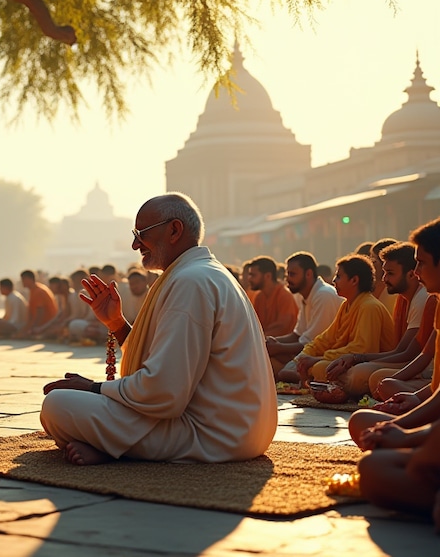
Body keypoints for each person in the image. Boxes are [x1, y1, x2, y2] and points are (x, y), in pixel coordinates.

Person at [40, 193, 276, 465]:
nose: (134, 244)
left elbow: (164, 393)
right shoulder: (199, 273)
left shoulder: (191, 281)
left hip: (212, 436)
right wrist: (116, 323)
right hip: (243, 432)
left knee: (58, 406)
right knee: (69, 402)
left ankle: (110, 448)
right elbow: (163, 364)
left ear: (174, 230)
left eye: (142, 234)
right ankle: (109, 445)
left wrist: (94, 388)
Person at [349, 217, 440, 445]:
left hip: (428, 399)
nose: (418, 272)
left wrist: (403, 430)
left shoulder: (425, 300)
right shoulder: (429, 302)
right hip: (428, 397)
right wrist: (413, 399)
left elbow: (412, 354)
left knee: (374, 466)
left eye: (422, 263)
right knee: (360, 421)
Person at [324, 242, 434, 398]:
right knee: (350, 371)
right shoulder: (404, 299)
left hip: (422, 372)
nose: (383, 279)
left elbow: (409, 354)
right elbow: (328, 338)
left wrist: (356, 358)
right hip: (408, 365)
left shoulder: (423, 298)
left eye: (390, 273)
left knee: (368, 376)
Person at [293, 255, 397, 390]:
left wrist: (320, 359)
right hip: (345, 360)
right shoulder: (346, 305)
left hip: (371, 363)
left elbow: (363, 349)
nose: (334, 281)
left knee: (322, 367)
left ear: (354, 280)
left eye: (339, 276)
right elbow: (327, 338)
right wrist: (306, 354)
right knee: (316, 366)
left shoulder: (369, 306)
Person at [266, 251, 344, 383]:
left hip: (326, 356)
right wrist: (268, 343)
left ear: (308, 274)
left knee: (279, 369)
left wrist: (278, 347)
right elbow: (297, 335)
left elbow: (312, 344)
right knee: (266, 357)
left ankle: (312, 382)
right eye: (287, 274)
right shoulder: (307, 296)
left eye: (292, 274)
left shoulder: (323, 295)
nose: (287, 279)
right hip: (309, 352)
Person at [247, 255, 299, 338]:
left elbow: (283, 328)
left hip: (282, 346)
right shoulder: (259, 297)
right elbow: (256, 325)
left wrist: (259, 339)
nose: (249, 279)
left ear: (267, 276)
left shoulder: (284, 296)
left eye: (253, 275)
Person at [19, 269, 58, 338]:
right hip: (38, 324)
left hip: (45, 324)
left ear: (29, 279)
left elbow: (40, 313)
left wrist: (32, 328)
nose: (22, 282)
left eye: (23, 279)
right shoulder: (33, 290)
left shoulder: (39, 291)